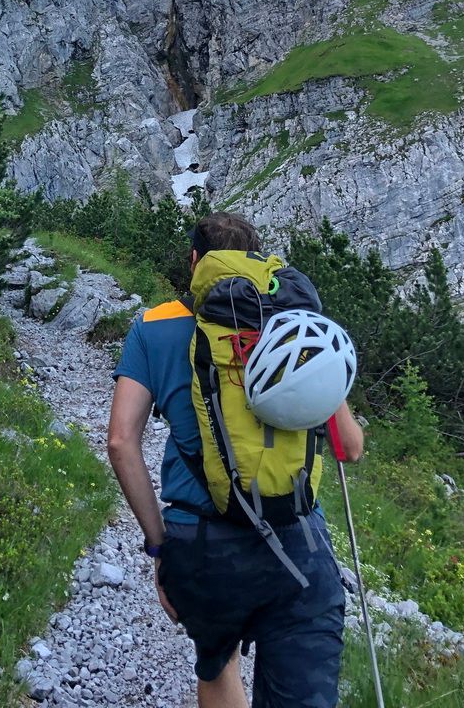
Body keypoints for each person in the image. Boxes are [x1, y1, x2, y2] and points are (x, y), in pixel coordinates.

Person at [107, 211, 364, 708]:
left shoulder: (154, 327)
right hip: (297, 539)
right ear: (254, 259)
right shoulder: (293, 327)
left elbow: (121, 442)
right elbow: (348, 447)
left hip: (202, 542)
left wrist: (160, 548)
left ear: (195, 260)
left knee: (220, 663)